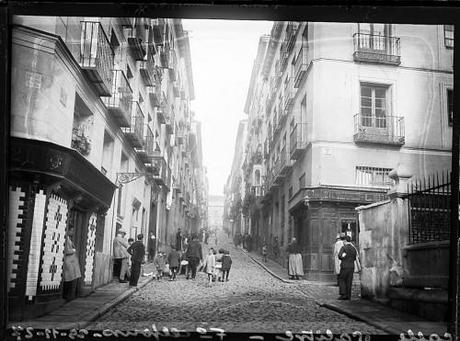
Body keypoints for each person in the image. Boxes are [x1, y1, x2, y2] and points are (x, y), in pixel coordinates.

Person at [63, 226, 81, 301]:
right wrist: (74, 250)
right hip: (69, 262)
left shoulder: (69, 239)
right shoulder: (66, 239)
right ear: (68, 230)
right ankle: (68, 296)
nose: (73, 232)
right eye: (72, 230)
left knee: (72, 279)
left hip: (72, 262)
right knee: (69, 280)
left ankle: (71, 296)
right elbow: (66, 251)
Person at [338, 236, 357, 300]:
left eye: (343, 241)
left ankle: (343, 294)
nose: (343, 242)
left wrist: (344, 256)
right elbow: (354, 258)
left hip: (344, 266)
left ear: (345, 241)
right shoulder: (353, 248)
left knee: (342, 279)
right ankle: (348, 295)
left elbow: (340, 256)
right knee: (349, 281)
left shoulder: (344, 248)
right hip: (351, 266)